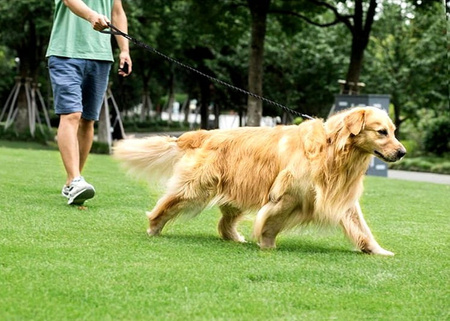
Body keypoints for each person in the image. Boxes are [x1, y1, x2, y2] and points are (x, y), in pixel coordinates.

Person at [46, 0, 132, 205]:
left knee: (88, 120)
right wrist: (92, 15)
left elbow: (118, 13)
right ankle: (76, 180)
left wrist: (124, 50)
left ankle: (73, 182)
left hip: (100, 56)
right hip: (65, 53)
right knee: (71, 114)